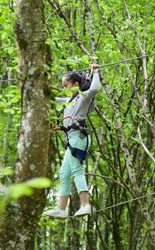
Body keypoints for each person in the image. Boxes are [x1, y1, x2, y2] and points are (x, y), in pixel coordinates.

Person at [45, 64, 100, 218]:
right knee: (64, 173)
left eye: (66, 85)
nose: (64, 88)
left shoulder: (82, 98)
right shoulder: (68, 101)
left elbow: (94, 89)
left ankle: (85, 205)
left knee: (77, 170)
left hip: (78, 138)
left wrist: (96, 72)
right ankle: (61, 209)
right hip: (72, 140)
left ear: (75, 84)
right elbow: (51, 99)